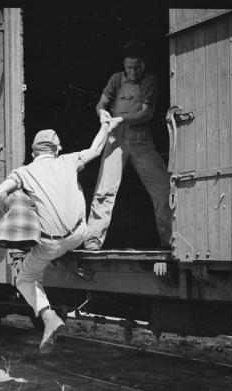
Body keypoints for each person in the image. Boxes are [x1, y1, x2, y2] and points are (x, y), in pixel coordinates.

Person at [0, 118, 114, 352]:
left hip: (51, 245)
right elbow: (97, 148)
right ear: (58, 149)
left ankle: (49, 317)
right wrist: (105, 123)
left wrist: (7, 209)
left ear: (32, 152)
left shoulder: (24, 171)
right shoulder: (69, 160)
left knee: (25, 279)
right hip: (79, 234)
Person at [84, 40, 172, 250]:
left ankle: (170, 240)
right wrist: (102, 113)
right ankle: (93, 239)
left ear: (144, 63)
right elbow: (101, 104)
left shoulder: (151, 81)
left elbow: (146, 113)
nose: (133, 71)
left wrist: (121, 119)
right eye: (129, 67)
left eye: (137, 66)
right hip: (116, 140)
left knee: (163, 188)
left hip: (141, 141)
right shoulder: (116, 79)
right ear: (124, 64)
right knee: (105, 190)